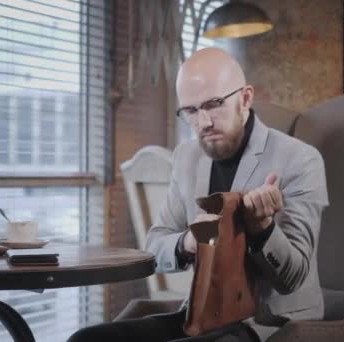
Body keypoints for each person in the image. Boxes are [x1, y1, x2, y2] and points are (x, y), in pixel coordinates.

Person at [67, 47, 328, 342]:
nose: (203, 123)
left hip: (272, 322)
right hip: (203, 316)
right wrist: (188, 242)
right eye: (190, 110)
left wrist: (263, 229)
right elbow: (155, 243)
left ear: (245, 98)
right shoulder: (185, 157)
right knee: (86, 340)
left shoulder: (302, 159)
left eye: (214, 104)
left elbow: (293, 278)